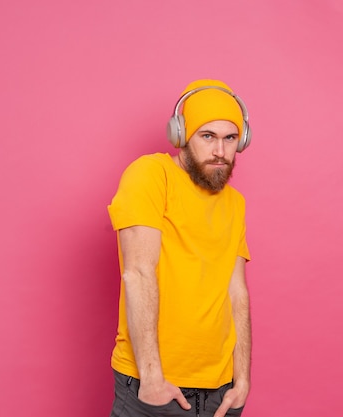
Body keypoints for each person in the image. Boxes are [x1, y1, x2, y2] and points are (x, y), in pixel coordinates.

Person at [107, 79, 253, 417]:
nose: (220, 151)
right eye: (208, 136)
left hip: (221, 391)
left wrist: (242, 380)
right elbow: (138, 272)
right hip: (155, 387)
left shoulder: (235, 203)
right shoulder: (150, 174)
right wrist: (152, 378)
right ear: (181, 135)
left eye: (229, 138)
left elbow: (237, 292)